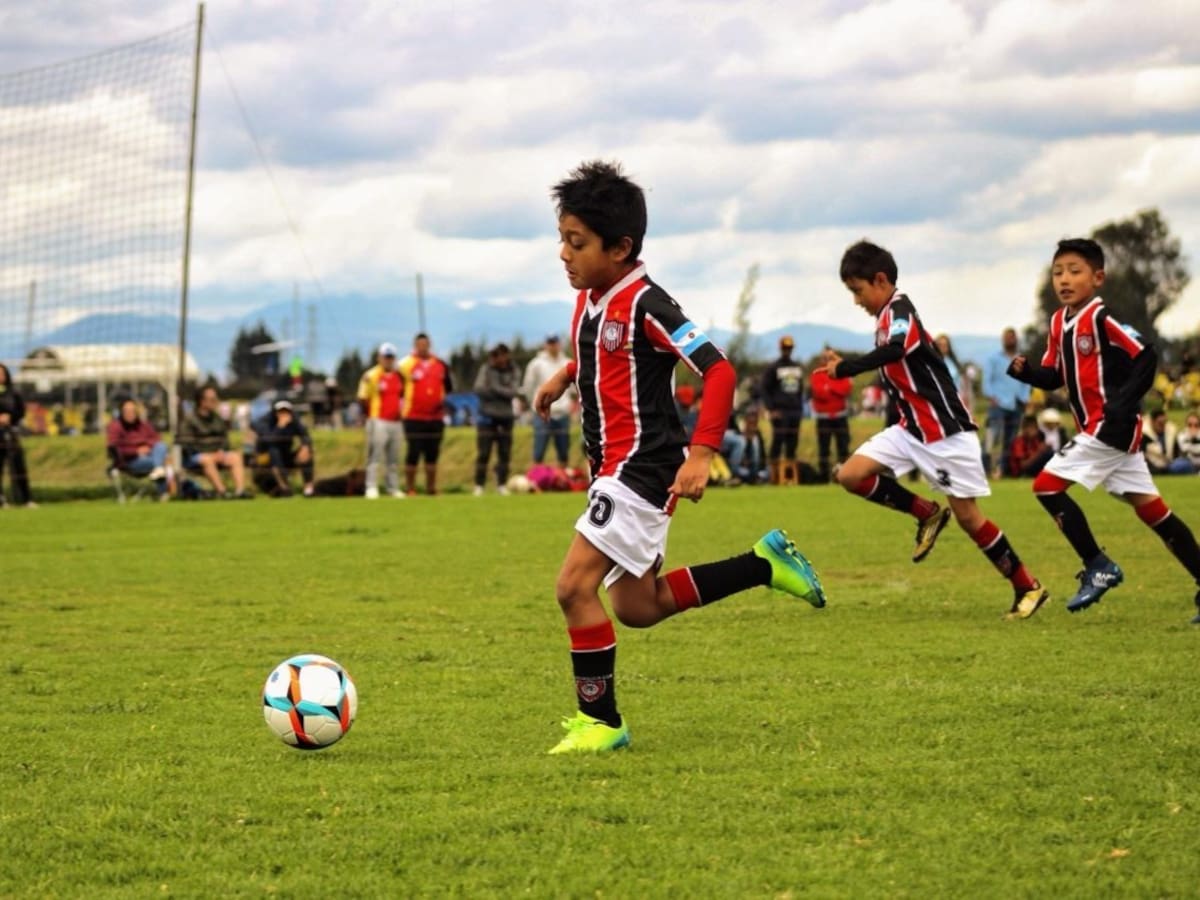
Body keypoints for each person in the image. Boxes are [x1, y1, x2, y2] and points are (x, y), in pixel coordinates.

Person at [533, 160, 825, 755]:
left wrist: (702, 452)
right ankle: (764, 564)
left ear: (621, 248)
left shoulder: (648, 303)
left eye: (576, 242)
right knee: (639, 606)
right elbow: (607, 360)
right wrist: (567, 375)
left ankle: (602, 723)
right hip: (613, 469)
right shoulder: (592, 298)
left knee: (572, 588)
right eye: (562, 239)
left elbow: (718, 370)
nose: (564, 253)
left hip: (640, 469)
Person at [825, 240, 1048, 619]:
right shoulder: (884, 318)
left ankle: (1028, 586)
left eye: (857, 290)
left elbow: (896, 349)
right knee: (850, 475)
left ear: (880, 280)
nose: (856, 300)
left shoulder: (900, 311)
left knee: (969, 518)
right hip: (910, 429)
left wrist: (847, 368)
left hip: (945, 433)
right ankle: (927, 512)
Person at [1008, 238, 1200, 622]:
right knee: (1154, 512)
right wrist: (1028, 372)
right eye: (1058, 271)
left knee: (1045, 485)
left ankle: (1098, 564)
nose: (1064, 279)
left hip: (1108, 429)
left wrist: (1124, 403)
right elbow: (1053, 376)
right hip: (1104, 431)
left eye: (1074, 271)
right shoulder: (1060, 322)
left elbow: (1146, 355)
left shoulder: (1100, 317)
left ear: (1097, 278)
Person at [397, 333, 453, 496]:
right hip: (413, 416)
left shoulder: (440, 364)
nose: (423, 347)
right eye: (419, 344)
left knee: (432, 453)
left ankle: (431, 488)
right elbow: (398, 388)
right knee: (413, 452)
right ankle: (410, 488)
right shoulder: (405, 365)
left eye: (425, 344)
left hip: (436, 418)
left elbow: (448, 387)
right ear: (415, 346)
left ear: (429, 345)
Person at [178, 385, 250, 499]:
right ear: (202, 401)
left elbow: (224, 439)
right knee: (207, 459)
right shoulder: (189, 420)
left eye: (216, 399)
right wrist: (210, 454)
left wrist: (222, 451)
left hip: (217, 454)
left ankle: (240, 492)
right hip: (195, 457)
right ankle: (222, 492)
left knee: (235, 457)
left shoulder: (217, 418)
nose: (216, 402)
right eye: (212, 399)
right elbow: (186, 443)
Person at [357, 342, 404, 499]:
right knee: (374, 456)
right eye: (385, 357)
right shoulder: (371, 376)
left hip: (396, 421)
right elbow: (363, 397)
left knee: (393, 458)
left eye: (391, 357)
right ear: (379, 358)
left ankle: (393, 487)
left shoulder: (399, 376)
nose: (388, 360)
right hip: (378, 420)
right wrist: (369, 416)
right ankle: (371, 486)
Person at [982, 327, 1031, 477]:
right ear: (1003, 340)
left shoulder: (1020, 359)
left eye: (1013, 337)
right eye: (1007, 337)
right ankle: (985, 469)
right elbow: (987, 381)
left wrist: (1024, 398)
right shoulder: (993, 359)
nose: (1010, 340)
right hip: (998, 404)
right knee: (992, 438)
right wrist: (992, 396)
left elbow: (1026, 380)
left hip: (1016, 404)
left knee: (1010, 441)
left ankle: (1003, 471)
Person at [472, 343, 519, 496]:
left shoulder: (514, 370)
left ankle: (502, 484)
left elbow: (512, 392)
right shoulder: (485, 369)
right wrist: (499, 391)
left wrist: (493, 388)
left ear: (505, 355)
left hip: (506, 417)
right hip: (486, 417)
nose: (494, 358)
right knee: (483, 452)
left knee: (504, 452)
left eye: (497, 355)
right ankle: (479, 485)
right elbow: (479, 389)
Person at [521, 334, 575, 465]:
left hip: (562, 412)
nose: (552, 346)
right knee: (539, 450)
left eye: (555, 342)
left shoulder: (566, 362)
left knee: (563, 451)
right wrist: (535, 403)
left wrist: (571, 403)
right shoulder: (536, 364)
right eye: (550, 343)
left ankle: (563, 479)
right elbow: (528, 386)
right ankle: (536, 478)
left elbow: (574, 388)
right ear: (546, 344)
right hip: (542, 413)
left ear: (559, 344)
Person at [106, 398, 170, 499]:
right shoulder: (115, 427)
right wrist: (136, 450)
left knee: (161, 446)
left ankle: (158, 471)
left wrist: (147, 447)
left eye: (133, 411)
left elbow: (156, 438)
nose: (131, 414)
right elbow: (115, 447)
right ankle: (163, 493)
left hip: (149, 456)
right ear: (121, 412)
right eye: (127, 411)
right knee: (161, 463)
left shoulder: (143, 425)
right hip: (130, 462)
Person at [761, 336, 805, 482]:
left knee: (792, 444)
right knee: (777, 442)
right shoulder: (773, 367)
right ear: (781, 349)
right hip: (780, 411)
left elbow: (800, 389)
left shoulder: (797, 367)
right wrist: (771, 409)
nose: (787, 351)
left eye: (789, 348)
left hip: (794, 411)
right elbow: (764, 389)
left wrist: (800, 408)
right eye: (785, 348)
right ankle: (773, 476)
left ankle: (789, 477)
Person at [252, 399, 315, 497]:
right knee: (274, 451)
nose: (283, 414)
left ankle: (308, 488)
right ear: (275, 412)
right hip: (265, 459)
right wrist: (280, 426)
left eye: (286, 411)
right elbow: (268, 441)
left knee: (307, 452)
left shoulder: (294, 420)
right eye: (280, 411)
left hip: (285, 456)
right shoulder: (265, 421)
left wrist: (305, 446)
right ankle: (284, 487)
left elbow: (305, 435)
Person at [808, 348, 853, 483]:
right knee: (824, 449)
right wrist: (834, 388)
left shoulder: (841, 372)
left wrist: (829, 387)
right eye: (825, 358)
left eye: (830, 357)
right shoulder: (816, 374)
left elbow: (846, 389)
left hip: (840, 416)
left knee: (843, 448)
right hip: (823, 417)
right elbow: (818, 392)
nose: (827, 360)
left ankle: (844, 476)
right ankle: (823, 478)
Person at [0, 362, 34, 507]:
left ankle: (26, 499)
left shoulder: (13, 392)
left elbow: (21, 411)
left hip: (11, 432)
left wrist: (10, 417)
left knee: (19, 466)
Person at [734, 408, 770, 484]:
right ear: (746, 421)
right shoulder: (739, 434)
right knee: (743, 472)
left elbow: (763, 456)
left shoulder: (758, 435)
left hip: (757, 468)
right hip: (745, 468)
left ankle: (755, 477)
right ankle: (751, 478)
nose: (752, 424)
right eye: (750, 421)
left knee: (767, 471)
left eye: (754, 422)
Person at [1142, 409, 1179, 475]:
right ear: (1152, 422)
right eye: (1160, 423)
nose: (1163, 426)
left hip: (1169, 466)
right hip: (1150, 467)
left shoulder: (1170, 432)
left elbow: (1176, 452)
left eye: (1164, 422)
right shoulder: (1143, 435)